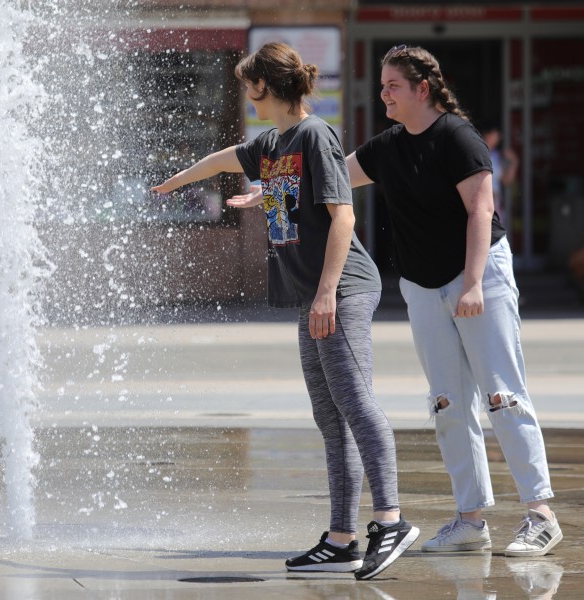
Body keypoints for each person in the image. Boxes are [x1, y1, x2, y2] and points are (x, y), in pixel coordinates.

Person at [151, 42, 418, 580]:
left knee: (356, 404)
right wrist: (178, 181)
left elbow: (341, 218)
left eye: (249, 86)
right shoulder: (274, 143)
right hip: (310, 293)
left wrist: (325, 292)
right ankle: (342, 538)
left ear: (265, 88)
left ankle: (390, 520)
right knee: (330, 416)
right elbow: (228, 158)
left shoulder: (315, 134)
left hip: (339, 289)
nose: (245, 96)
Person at [344, 44, 562, 557]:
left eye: (393, 85)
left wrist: (471, 282)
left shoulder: (458, 138)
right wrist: (270, 189)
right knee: (446, 403)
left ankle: (541, 514)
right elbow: (333, 175)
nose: (384, 95)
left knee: (502, 395)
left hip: (478, 277)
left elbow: (480, 210)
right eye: (380, 86)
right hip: (421, 286)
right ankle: (470, 519)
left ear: (423, 89)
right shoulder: (388, 146)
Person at [479, 121, 518, 225]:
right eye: (497, 134)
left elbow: (506, 181)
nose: (498, 138)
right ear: (487, 133)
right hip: (480, 203)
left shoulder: (497, 155)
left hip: (495, 205)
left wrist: (514, 162)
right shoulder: (477, 152)